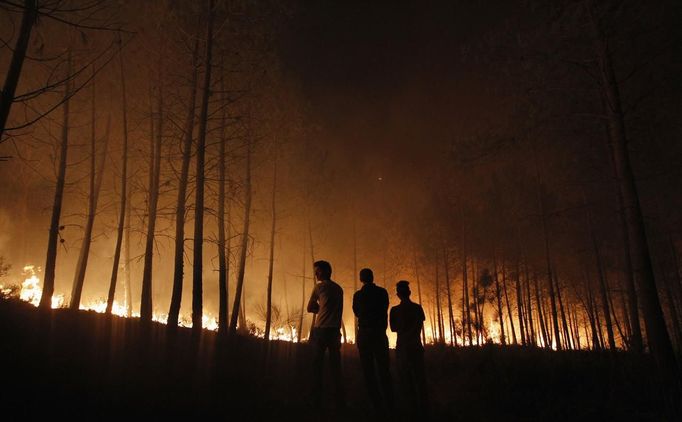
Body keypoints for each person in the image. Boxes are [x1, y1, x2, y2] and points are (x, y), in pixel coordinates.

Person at [352, 268, 394, 413]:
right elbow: (385, 307)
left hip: (364, 334)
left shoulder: (358, 295)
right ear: (372, 277)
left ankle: (376, 405)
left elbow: (356, 312)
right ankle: (390, 403)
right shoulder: (382, 292)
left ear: (361, 279)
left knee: (368, 370)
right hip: (379, 334)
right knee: (384, 368)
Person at [307, 260, 345, 409]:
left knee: (317, 366)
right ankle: (339, 401)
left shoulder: (319, 287)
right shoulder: (339, 289)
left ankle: (316, 400)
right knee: (335, 366)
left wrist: (320, 310)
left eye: (318, 271)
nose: (316, 274)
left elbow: (310, 307)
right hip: (335, 331)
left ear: (325, 271)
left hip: (321, 330)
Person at [389, 280, 429, 419]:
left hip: (402, 348)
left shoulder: (394, 310)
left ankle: (410, 411)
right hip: (416, 346)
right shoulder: (418, 308)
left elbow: (393, 329)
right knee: (420, 378)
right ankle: (424, 410)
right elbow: (419, 325)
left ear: (398, 294)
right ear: (409, 292)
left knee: (405, 380)